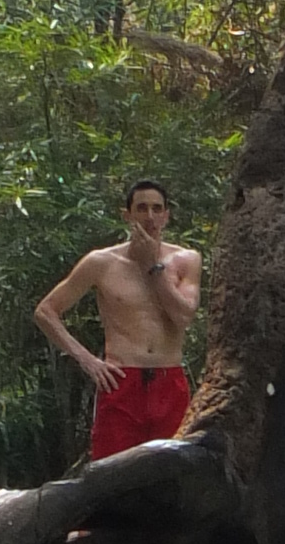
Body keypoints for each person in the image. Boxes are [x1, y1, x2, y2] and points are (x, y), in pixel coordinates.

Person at [34, 178, 202, 458]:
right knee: (111, 471)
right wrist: (88, 361)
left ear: (166, 216)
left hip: (169, 380)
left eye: (156, 209)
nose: (150, 217)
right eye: (142, 208)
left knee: (173, 471)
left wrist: (153, 267)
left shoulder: (186, 260)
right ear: (128, 215)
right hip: (122, 380)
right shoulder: (101, 262)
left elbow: (184, 316)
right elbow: (46, 311)